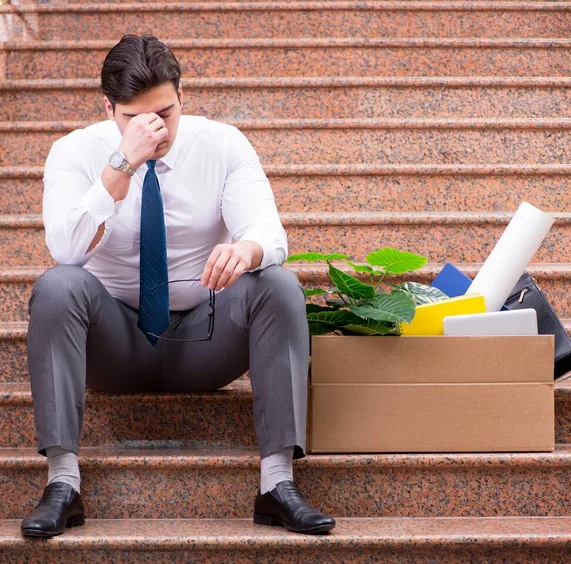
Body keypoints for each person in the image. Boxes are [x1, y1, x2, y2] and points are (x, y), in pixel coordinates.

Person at [20, 33, 335, 538]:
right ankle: (63, 483)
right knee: (58, 286)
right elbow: (67, 249)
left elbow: (268, 232)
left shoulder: (223, 144)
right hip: (113, 343)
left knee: (277, 283)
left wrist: (245, 250)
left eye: (164, 114)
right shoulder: (74, 152)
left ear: (182, 96)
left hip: (202, 338)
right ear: (109, 109)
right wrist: (123, 163)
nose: (154, 130)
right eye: (135, 118)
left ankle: (277, 485)